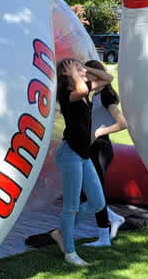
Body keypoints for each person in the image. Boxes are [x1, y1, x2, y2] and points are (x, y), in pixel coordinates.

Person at [50, 58, 110, 266]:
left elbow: (108, 78)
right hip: (70, 154)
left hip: (82, 155)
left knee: (97, 202)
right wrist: (75, 75)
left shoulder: (86, 90)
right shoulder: (68, 95)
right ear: (67, 74)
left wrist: (84, 69)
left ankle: (60, 232)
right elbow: (82, 91)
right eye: (77, 67)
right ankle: (70, 253)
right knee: (71, 207)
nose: (82, 70)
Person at [82, 59, 127, 246]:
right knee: (87, 193)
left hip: (101, 149)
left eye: (87, 75)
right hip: (93, 148)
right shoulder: (95, 96)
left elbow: (122, 123)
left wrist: (99, 132)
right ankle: (114, 217)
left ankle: (103, 237)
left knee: (95, 192)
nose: (85, 79)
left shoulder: (107, 95)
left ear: (95, 74)